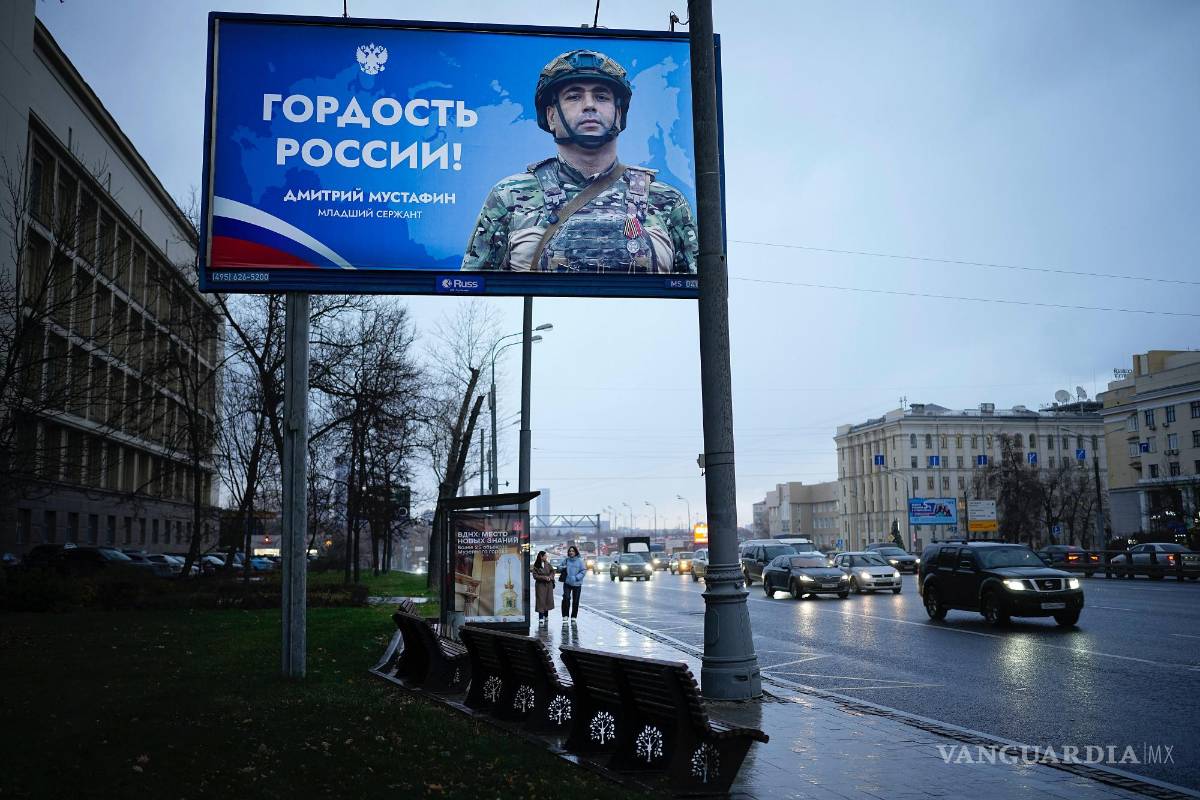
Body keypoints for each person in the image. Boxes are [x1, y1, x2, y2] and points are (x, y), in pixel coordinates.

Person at [461, 48, 698, 275]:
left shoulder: (667, 201)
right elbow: (472, 294)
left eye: (601, 96)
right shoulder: (508, 196)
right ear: (551, 116)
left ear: (618, 113)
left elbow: (698, 299)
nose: (589, 105)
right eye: (574, 96)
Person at [560, 545, 587, 622]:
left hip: (577, 584)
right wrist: (562, 567)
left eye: (572, 551)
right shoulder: (566, 560)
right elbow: (559, 567)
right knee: (566, 598)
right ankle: (565, 615)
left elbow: (583, 571)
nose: (571, 552)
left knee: (575, 600)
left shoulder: (580, 561)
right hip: (567, 583)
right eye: (570, 551)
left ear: (575, 552)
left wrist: (576, 577)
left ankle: (573, 616)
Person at [532, 550, 556, 624]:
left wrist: (550, 577)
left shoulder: (548, 564)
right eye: (545, 556)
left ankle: (546, 616)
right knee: (541, 601)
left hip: (548, 585)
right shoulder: (536, 565)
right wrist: (544, 578)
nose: (546, 557)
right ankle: (541, 617)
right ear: (541, 557)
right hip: (540, 585)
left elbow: (552, 572)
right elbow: (535, 576)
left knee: (547, 601)